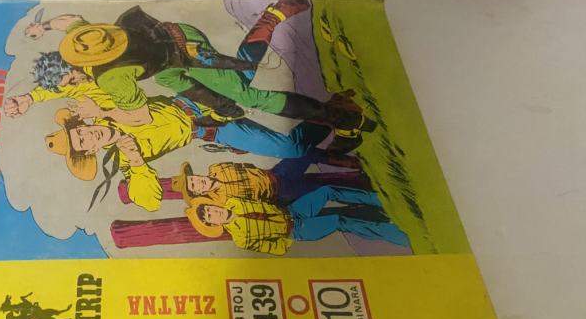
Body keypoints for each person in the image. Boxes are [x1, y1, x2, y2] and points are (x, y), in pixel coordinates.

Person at [24, 1, 373, 135]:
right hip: (171, 48)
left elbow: (141, 116)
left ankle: (340, 117)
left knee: (248, 94)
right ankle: (225, 104)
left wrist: (101, 111)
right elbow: (70, 19)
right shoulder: (84, 38)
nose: (73, 85)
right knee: (185, 84)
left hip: (185, 52)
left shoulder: (110, 79)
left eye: (69, 82)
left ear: (72, 72)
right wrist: (45, 26)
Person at [43, 95, 359, 212]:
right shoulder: (127, 158)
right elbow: (149, 201)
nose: (88, 136)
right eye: (83, 143)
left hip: (201, 100)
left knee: (266, 99)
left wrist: (104, 110)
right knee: (288, 148)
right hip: (212, 130)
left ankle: (336, 114)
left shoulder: (108, 106)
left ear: (85, 124)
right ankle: (337, 112)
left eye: (81, 131)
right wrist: (137, 162)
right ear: (92, 150)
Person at [185, 187, 411, 256]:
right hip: (297, 229)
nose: (214, 212)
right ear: (213, 224)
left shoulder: (235, 202)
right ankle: (397, 235)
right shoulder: (240, 238)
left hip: (293, 210)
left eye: (211, 208)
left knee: (327, 191)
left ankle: (380, 199)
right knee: (339, 220)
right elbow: (273, 248)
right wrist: (288, 234)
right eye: (210, 216)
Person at [171, 158, 371, 206]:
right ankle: (363, 186)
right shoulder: (221, 201)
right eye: (194, 186)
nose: (198, 182)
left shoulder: (217, 168)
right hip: (281, 193)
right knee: (321, 186)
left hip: (276, 173)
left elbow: (247, 166)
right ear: (199, 193)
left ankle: (354, 163)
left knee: (304, 153)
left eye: (194, 178)